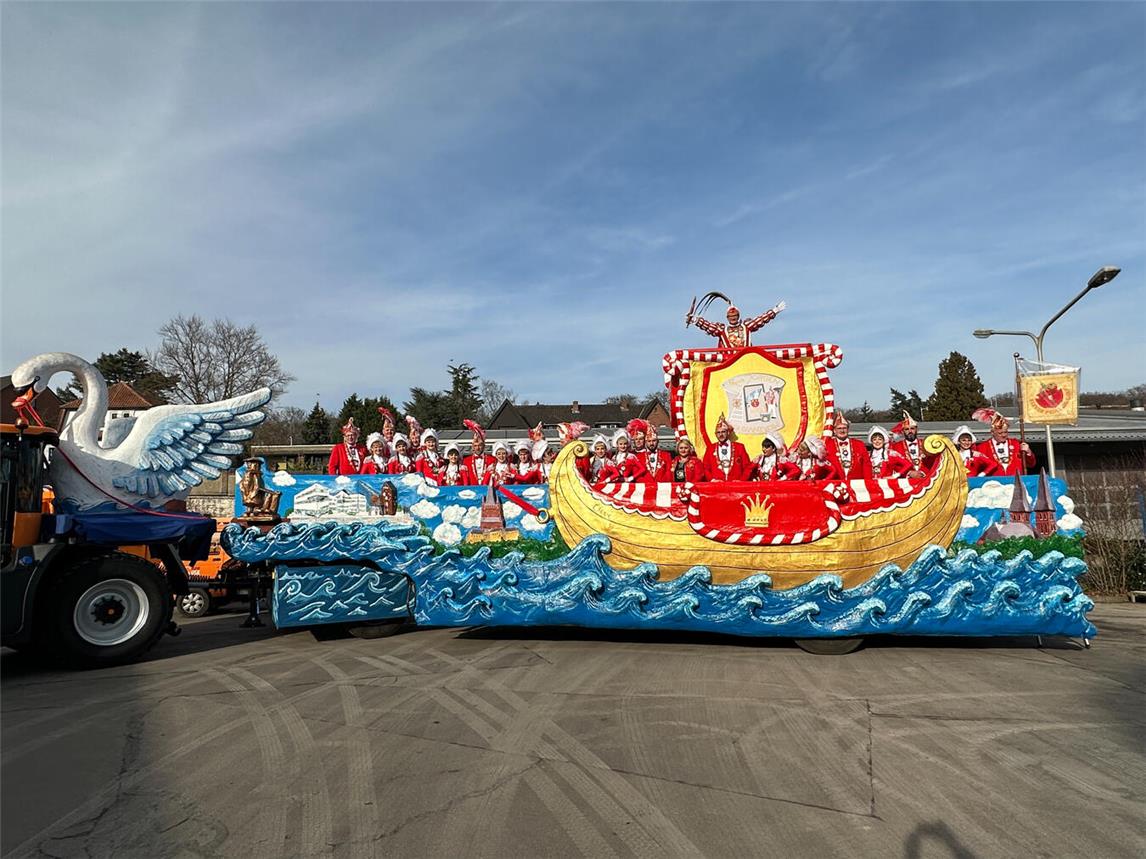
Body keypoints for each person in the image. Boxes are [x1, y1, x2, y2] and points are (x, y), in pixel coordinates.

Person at [688, 299, 786, 348]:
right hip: (729, 361)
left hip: (746, 358)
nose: (733, 319)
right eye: (731, 317)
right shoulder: (723, 330)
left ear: (738, 317)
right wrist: (695, 320)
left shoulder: (745, 327)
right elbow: (709, 326)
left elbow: (759, 320)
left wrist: (774, 311)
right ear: (727, 318)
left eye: (735, 317)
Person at [972, 409, 1035, 476]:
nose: (1004, 435)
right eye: (1000, 433)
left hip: (1015, 482)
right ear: (992, 432)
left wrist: (1028, 452)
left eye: (1005, 432)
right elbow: (976, 469)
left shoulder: (1016, 444)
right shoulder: (982, 448)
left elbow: (1031, 464)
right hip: (993, 484)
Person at [702, 415, 752, 481]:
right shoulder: (710, 448)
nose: (721, 434)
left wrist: (741, 481)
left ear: (728, 432)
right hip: (717, 486)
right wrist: (712, 480)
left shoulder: (739, 447)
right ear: (715, 434)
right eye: (718, 432)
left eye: (723, 432)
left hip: (735, 485)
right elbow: (705, 468)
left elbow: (747, 467)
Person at [825, 414, 872, 480]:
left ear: (848, 429)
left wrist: (868, 482)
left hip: (856, 483)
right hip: (836, 483)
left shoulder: (859, 444)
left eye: (844, 428)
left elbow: (866, 465)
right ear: (834, 431)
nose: (842, 431)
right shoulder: (827, 445)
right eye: (839, 428)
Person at [889, 412, 936, 477]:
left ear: (917, 430)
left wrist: (922, 472)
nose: (910, 431)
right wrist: (909, 473)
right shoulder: (895, 446)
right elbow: (895, 464)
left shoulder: (926, 444)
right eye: (907, 429)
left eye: (912, 428)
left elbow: (932, 461)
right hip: (905, 481)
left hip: (925, 478)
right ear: (903, 431)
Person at [462, 420, 496, 486]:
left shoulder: (492, 460)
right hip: (473, 491)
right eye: (475, 445)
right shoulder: (466, 461)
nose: (477, 448)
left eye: (480, 445)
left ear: (484, 446)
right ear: (472, 446)